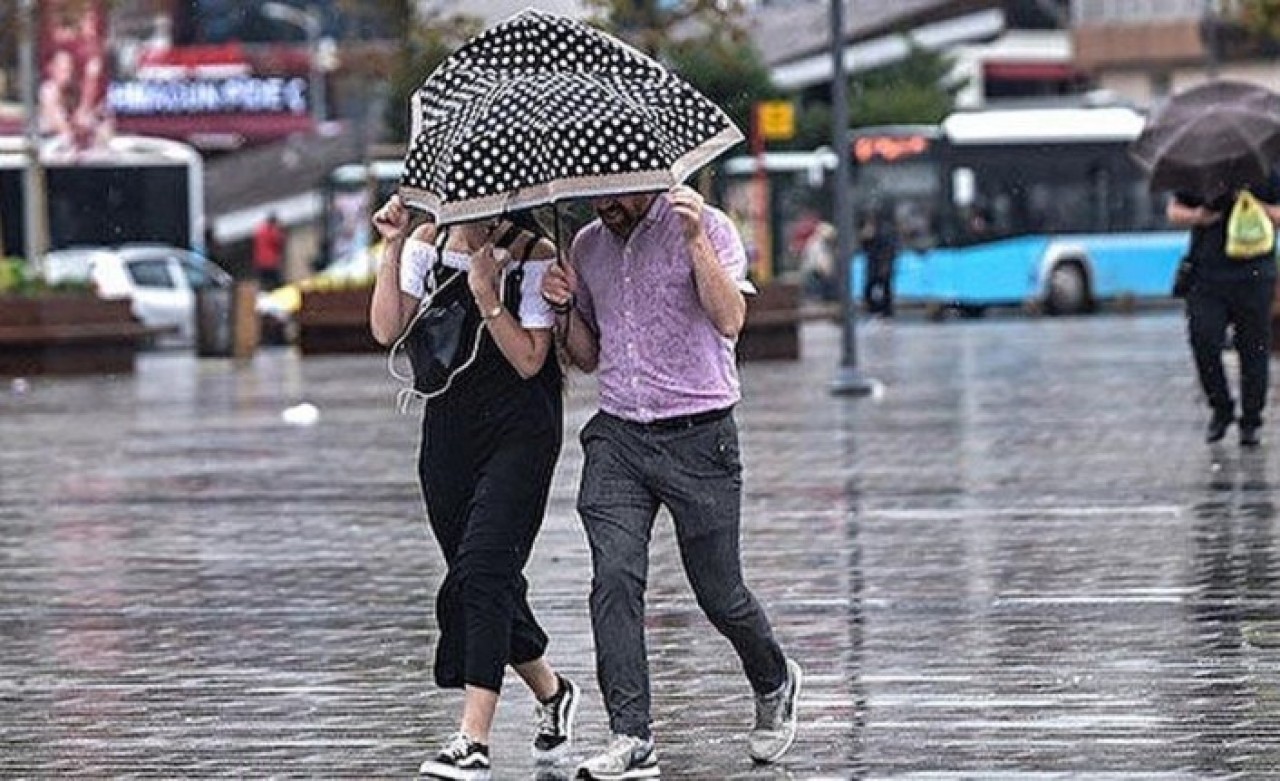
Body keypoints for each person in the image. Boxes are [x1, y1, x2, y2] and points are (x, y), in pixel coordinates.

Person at [541, 185, 802, 780]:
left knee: (719, 593)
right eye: (594, 192)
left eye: (615, 191)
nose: (602, 203)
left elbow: (730, 318)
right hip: (619, 438)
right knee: (613, 577)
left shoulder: (706, 226)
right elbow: (586, 355)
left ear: (649, 174)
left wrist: (693, 243)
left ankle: (774, 677)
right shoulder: (585, 246)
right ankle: (630, 735)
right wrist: (562, 311)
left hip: (699, 434)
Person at [370, 194, 579, 780]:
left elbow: (531, 360)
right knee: (475, 574)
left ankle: (473, 738)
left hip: (521, 432)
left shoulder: (533, 253)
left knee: (485, 569)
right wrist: (392, 243)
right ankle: (553, 690)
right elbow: (386, 327)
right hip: (449, 434)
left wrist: (490, 294)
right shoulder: (426, 243)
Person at [1167, 173, 1280, 447]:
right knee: (1203, 339)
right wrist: (1199, 216)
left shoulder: (1268, 171)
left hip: (1255, 274)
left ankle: (1251, 420)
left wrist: (1256, 205)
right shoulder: (1201, 171)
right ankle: (1221, 407)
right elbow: (1174, 211)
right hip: (1206, 276)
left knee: (1254, 349)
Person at [859, 207, 898, 318]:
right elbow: (866, 246)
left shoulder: (884, 230)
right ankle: (878, 308)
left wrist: (886, 263)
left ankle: (883, 309)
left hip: (881, 262)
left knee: (882, 286)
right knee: (874, 287)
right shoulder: (873, 230)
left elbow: (888, 247)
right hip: (876, 262)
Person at [252, 214, 286, 291]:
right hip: (270, 262)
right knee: (278, 283)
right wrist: (281, 229)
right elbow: (279, 241)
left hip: (260, 262)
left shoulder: (259, 230)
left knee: (264, 282)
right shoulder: (272, 230)